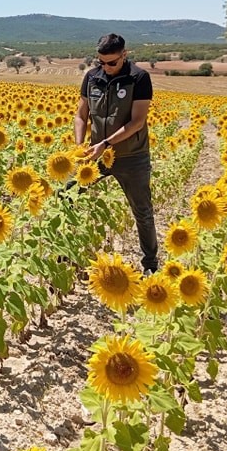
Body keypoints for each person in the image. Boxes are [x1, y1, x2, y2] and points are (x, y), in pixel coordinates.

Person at [73, 33, 158, 274]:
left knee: (142, 210)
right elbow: (81, 115)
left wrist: (106, 143)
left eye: (112, 62)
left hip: (131, 157)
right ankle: (65, 255)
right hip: (95, 156)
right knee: (67, 196)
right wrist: (80, 146)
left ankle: (150, 265)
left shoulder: (139, 78)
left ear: (124, 55)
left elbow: (137, 122)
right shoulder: (92, 78)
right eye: (102, 62)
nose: (106, 68)